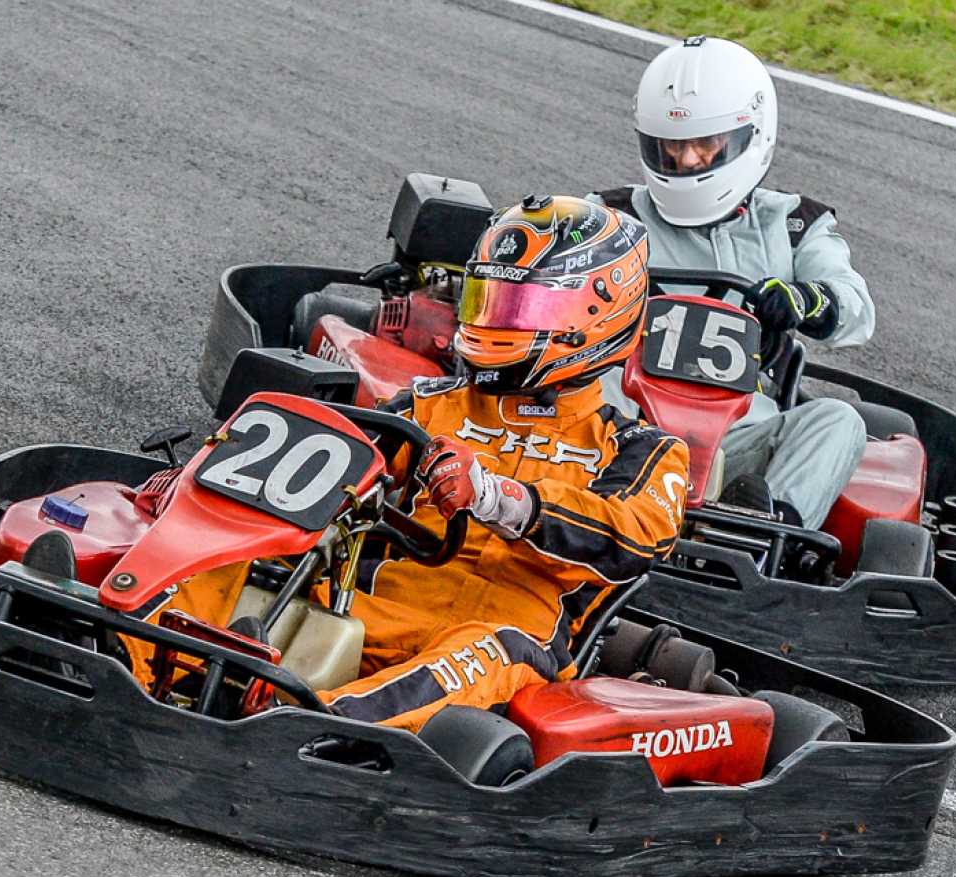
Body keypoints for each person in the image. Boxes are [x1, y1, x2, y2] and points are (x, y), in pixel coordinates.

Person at [141, 197, 689, 732]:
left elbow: (631, 538)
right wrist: (202, 488)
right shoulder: (430, 405)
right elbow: (322, 468)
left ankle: (307, 727)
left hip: (507, 633)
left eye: (524, 309)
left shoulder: (639, 448)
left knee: (484, 652)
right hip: (373, 602)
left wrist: (499, 498)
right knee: (230, 554)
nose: (500, 321)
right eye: (491, 301)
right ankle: (129, 655)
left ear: (598, 315)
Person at [593, 35, 875, 529]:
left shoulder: (793, 225)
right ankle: (575, 504)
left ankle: (762, 531)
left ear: (753, 135)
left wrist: (807, 301)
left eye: (705, 144)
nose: (687, 161)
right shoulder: (609, 216)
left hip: (738, 437)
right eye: (672, 146)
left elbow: (855, 309)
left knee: (839, 420)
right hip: (621, 421)